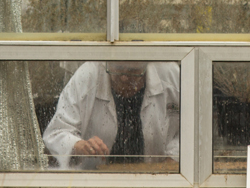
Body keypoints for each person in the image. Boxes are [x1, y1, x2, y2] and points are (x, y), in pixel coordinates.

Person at [43, 61, 180, 170]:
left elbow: (194, 129)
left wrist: (174, 157)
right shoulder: (88, 75)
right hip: (94, 182)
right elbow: (57, 131)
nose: (125, 78)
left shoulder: (170, 75)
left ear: (147, 64)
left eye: (133, 72)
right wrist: (79, 145)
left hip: (157, 181)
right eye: (118, 69)